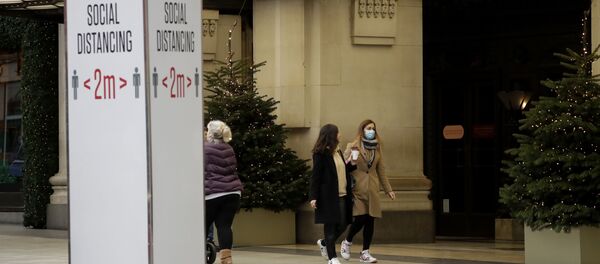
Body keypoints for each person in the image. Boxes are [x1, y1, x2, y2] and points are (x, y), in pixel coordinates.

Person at [340, 119, 395, 263]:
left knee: (370, 221)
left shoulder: (377, 148)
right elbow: (343, 166)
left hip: (372, 189)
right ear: (362, 130)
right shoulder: (353, 146)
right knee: (360, 218)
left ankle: (365, 252)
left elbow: (381, 170)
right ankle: (347, 241)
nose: (371, 131)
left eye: (373, 129)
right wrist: (351, 159)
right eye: (368, 128)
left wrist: (388, 189)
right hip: (358, 189)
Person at [310, 124, 357, 264]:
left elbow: (342, 170)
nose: (340, 135)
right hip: (328, 196)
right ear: (331, 135)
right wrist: (313, 196)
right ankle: (332, 257)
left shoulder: (338, 151)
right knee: (330, 226)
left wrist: (353, 162)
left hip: (343, 194)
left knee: (343, 224)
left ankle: (324, 243)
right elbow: (315, 176)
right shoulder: (320, 154)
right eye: (338, 133)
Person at [204, 120, 243, 264]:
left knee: (202, 225)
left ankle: (198, 253)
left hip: (212, 193)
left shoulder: (204, 148)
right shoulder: (229, 148)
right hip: (233, 193)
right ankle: (227, 259)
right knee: (224, 226)